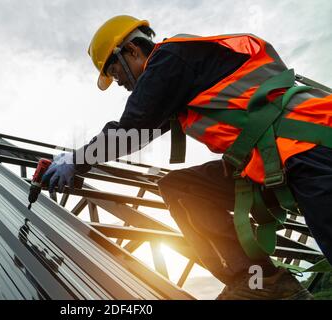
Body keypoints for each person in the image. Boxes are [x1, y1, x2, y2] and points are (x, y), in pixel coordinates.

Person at [42, 15, 332, 299]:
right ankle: (262, 281)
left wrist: (76, 160)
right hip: (273, 160)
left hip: (310, 148)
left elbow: (131, 129)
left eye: (116, 72)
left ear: (131, 50)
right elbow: (139, 133)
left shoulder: (170, 58)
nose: (118, 83)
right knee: (181, 188)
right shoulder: (181, 79)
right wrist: (76, 164)